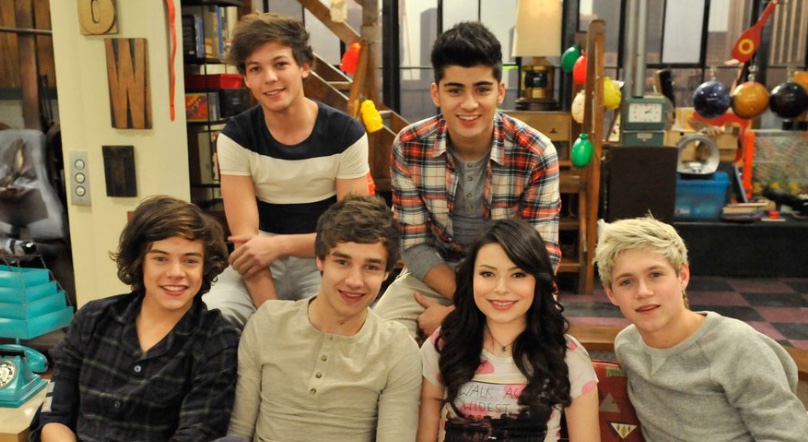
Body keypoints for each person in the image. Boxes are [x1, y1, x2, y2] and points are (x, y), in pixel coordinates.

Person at [373, 21, 560, 339]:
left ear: (500, 92)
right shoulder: (409, 145)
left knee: (534, 345)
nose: (470, 104)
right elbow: (414, 244)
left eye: (482, 89)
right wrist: (466, 302)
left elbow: (542, 254)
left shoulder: (536, 151)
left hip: (513, 279)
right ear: (436, 93)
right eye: (455, 90)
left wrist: (461, 315)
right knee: (383, 338)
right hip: (436, 273)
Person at [203, 12, 370, 329]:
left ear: (304, 67)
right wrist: (275, 320)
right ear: (246, 78)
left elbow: (352, 233)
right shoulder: (236, 137)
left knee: (334, 323)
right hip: (259, 260)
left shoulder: (346, 133)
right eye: (256, 69)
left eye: (280, 64)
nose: (269, 78)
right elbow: (247, 244)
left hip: (327, 255)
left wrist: (279, 245)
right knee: (217, 313)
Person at [32, 196, 239, 441]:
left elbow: (196, 434)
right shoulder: (93, 318)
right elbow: (54, 416)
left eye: (190, 261)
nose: (176, 273)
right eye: (160, 259)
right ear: (139, 263)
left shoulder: (217, 340)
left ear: (205, 268)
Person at [593, 216, 808, 441]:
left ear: (682, 276)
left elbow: (787, 435)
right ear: (611, 294)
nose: (643, 292)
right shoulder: (628, 346)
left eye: (655, 275)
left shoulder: (739, 347)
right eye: (626, 282)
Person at [226, 194, 421, 441]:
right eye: (342, 262)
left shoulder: (397, 347)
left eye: (371, 267)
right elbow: (239, 432)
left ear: (386, 273)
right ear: (320, 260)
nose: (354, 281)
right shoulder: (268, 322)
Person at [419, 218, 600, 442]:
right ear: (470, 279)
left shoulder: (568, 355)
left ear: (538, 280)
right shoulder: (444, 345)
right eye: (487, 274)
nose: (501, 288)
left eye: (518, 274)